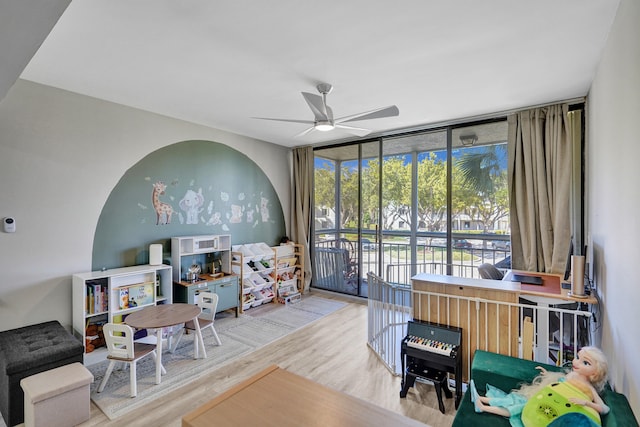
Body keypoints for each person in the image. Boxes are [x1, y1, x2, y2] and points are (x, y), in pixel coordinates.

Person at [470, 346, 610, 427]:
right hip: (545, 399)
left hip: (552, 410)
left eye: (585, 363)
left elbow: (604, 409)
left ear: (595, 373)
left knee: (517, 406)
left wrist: (585, 402)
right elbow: (560, 380)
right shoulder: (572, 375)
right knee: (514, 399)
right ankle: (481, 399)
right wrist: (547, 375)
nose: (576, 362)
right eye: (578, 358)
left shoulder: (588, 388)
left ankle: (482, 407)